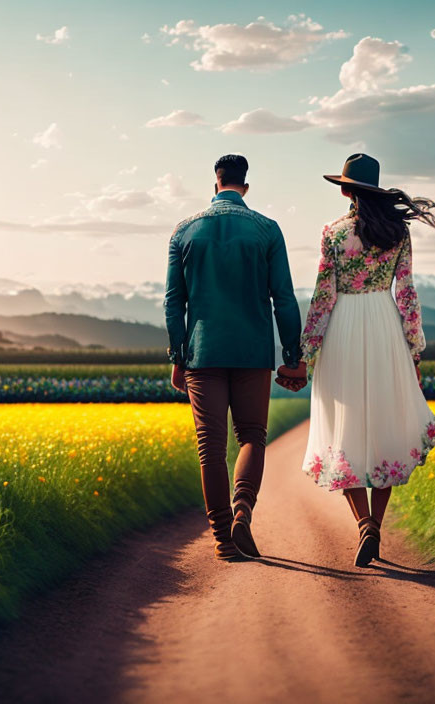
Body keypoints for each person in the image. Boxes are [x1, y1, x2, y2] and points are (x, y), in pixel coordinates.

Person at [282, 153, 435, 567]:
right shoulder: (397, 232)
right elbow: (407, 294)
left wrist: (307, 352)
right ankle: (378, 520)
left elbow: (323, 295)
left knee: (344, 430)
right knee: (386, 427)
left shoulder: (333, 233)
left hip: (343, 329)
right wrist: (414, 349)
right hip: (385, 325)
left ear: (345, 189)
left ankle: (364, 526)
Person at [164, 154, 306, 561]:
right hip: (252, 351)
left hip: (202, 353)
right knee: (251, 437)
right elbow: (284, 298)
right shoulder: (267, 230)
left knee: (210, 446)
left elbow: (174, 303)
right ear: (245, 186)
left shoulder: (183, 231)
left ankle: (224, 540)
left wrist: (178, 355)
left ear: (216, 184)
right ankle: (243, 510)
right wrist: (292, 354)